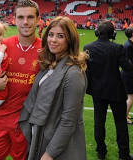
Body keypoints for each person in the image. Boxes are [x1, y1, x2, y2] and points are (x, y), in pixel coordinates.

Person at [0, 0, 42, 160]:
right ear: (14, 20)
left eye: (30, 17)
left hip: (24, 124)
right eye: (21, 17)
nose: (25, 22)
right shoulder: (2, 45)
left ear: (38, 20)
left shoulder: (45, 50)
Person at [19, 16, 88, 160]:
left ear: (70, 40)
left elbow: (69, 121)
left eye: (60, 36)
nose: (53, 40)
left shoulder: (73, 73)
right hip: (40, 136)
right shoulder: (49, 65)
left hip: (58, 147)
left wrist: (49, 154)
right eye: (51, 34)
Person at [84, 20, 133, 160]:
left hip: (97, 91)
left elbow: (86, 70)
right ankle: (124, 154)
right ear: (113, 33)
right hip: (115, 91)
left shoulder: (88, 47)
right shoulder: (117, 48)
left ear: (97, 33)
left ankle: (101, 152)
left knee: (99, 122)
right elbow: (128, 68)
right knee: (121, 123)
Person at [121, 27, 133, 124]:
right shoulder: (129, 45)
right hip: (128, 74)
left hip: (127, 73)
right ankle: (124, 117)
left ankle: (125, 114)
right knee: (131, 96)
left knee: (128, 96)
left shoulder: (129, 44)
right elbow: (132, 60)